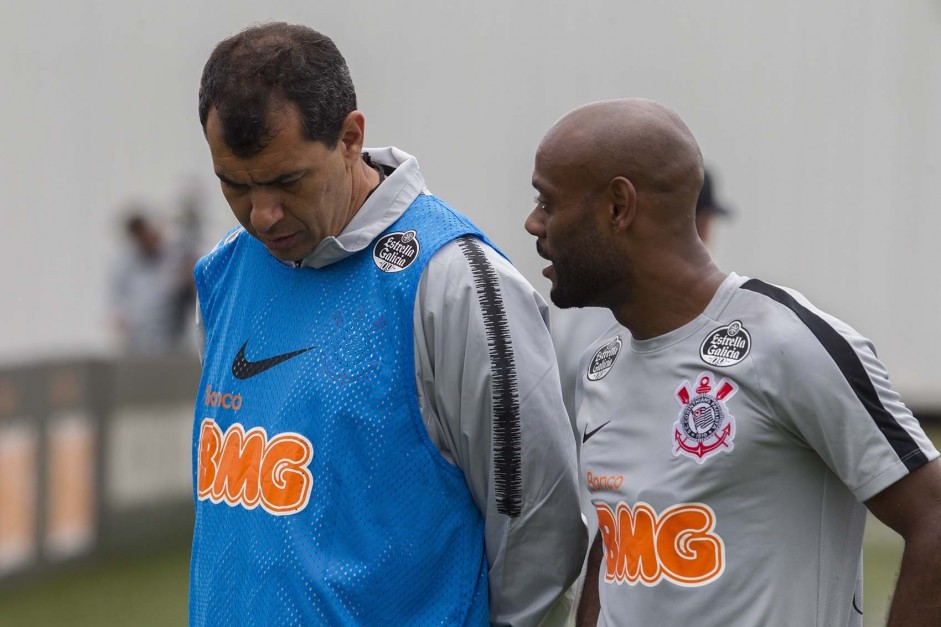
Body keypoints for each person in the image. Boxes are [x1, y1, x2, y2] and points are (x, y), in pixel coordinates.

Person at [190, 23, 585, 627]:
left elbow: (540, 526)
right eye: (234, 185)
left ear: (350, 138)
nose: (262, 214)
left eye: (286, 181)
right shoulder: (225, 269)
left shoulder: (453, 281)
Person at [524, 98, 941, 626]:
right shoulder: (599, 365)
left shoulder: (787, 344)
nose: (534, 222)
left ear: (617, 207)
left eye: (548, 200)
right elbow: (615, 543)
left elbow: (934, 515)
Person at [110, 210, 193, 355]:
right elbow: (118, 301)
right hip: (138, 342)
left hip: (171, 341)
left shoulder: (174, 257)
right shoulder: (126, 266)